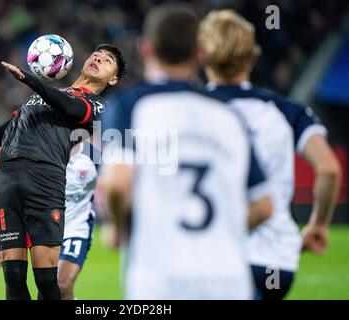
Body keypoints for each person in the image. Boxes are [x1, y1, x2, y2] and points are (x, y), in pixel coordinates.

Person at [98, 2, 272, 299]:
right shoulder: (231, 116)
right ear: (200, 53)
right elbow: (263, 206)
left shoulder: (128, 107)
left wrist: (116, 227)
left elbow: (116, 184)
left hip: (160, 281)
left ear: (145, 49)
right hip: (229, 282)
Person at [0, 43, 126, 300]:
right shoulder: (46, 94)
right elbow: (10, 128)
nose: (98, 58)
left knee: (46, 280)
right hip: (5, 175)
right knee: (13, 277)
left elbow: (70, 107)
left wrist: (29, 80)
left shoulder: (99, 106)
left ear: (113, 78)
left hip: (45, 178)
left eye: (107, 60)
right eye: (96, 55)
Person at [198, 9, 341, 299]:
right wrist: (319, 225)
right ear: (252, 56)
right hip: (274, 261)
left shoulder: (188, 109)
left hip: (210, 255)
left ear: (202, 55)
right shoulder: (287, 111)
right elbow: (329, 169)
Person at [0, 142, 97, 300]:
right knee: (43, 285)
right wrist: (8, 234)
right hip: (46, 226)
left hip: (76, 227)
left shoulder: (93, 155)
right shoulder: (39, 153)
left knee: (62, 285)